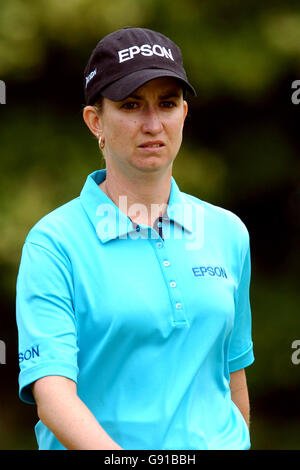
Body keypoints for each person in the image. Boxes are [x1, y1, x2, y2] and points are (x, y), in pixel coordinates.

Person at [16, 27, 254, 450]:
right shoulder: (53, 244)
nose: (152, 123)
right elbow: (52, 395)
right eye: (130, 105)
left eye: (167, 103)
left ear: (184, 114)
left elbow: (232, 372)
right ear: (96, 122)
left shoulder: (227, 232)